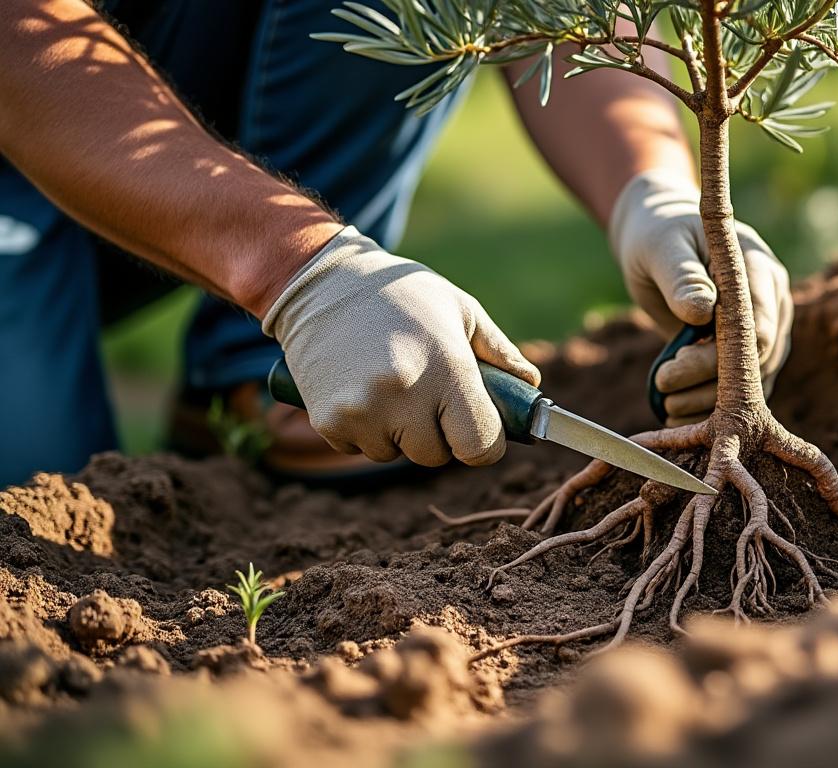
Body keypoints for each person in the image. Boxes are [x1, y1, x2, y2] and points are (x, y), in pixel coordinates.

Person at [0, 0, 793, 487]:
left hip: (163, 85)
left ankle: (248, 382)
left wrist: (649, 189)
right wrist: (300, 271)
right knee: (32, 509)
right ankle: (306, 317)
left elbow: (557, 11)